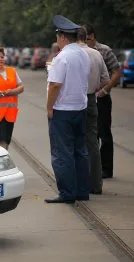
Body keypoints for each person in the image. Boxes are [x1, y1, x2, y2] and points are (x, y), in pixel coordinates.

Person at [45, 15, 91, 204]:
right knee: (80, 151)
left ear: (62, 36)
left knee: (62, 153)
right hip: (80, 108)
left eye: (57, 36)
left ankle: (67, 193)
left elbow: (55, 85)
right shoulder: (83, 53)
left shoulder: (62, 57)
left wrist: (49, 107)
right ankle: (82, 191)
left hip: (62, 110)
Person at [84, 24, 121, 179]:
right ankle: (92, 168)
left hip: (103, 97)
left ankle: (106, 169)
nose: (83, 42)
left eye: (85, 38)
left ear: (92, 36)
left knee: (104, 133)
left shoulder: (104, 50)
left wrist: (105, 90)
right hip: (87, 97)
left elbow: (116, 71)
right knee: (91, 135)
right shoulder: (80, 51)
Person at [77, 27, 110, 194]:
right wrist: (95, 88)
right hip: (91, 99)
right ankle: (96, 185)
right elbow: (106, 79)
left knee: (75, 142)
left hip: (75, 100)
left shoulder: (72, 54)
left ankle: (80, 182)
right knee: (92, 141)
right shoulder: (96, 54)